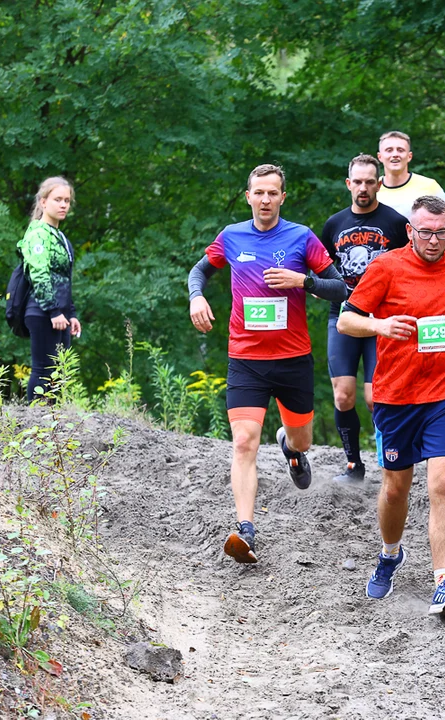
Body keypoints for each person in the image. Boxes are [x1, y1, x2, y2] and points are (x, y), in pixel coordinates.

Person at [336, 195, 445, 617]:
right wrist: (380, 324)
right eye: (425, 232)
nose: (434, 240)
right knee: (395, 487)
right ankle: (390, 553)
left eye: (442, 232)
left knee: (442, 484)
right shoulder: (386, 267)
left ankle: (444, 582)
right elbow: (347, 320)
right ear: (410, 230)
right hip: (397, 394)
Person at [188, 164, 349, 564]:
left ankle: (292, 451)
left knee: (303, 439)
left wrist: (304, 282)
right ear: (248, 196)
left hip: (293, 358)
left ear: (282, 197)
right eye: (258, 193)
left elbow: (341, 287)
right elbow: (200, 270)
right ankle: (246, 529)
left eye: (272, 193)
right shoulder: (231, 236)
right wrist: (196, 296)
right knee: (243, 442)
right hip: (246, 358)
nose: (265, 200)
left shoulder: (301, 237)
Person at [320, 154, 410, 483]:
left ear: (379, 183)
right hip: (343, 315)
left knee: (375, 398)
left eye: (370, 182)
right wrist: (316, 287)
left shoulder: (398, 224)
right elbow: (321, 271)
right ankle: (353, 465)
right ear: (348, 184)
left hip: (383, 319)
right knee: (343, 394)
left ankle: (391, 463)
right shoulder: (333, 224)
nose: (363, 188)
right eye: (357, 182)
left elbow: (412, 267)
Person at [18, 176, 81, 403]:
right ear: (43, 202)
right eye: (57, 199)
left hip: (60, 315)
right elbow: (39, 274)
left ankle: (52, 431)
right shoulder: (38, 233)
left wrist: (70, 313)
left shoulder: (59, 236)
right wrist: (54, 311)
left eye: (67, 200)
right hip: (42, 311)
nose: (63, 205)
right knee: (44, 370)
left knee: (58, 373)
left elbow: (63, 279)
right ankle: (36, 426)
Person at [376, 131, 445, 244]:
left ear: (409, 156)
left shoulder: (429, 187)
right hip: (382, 260)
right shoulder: (371, 189)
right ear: (380, 156)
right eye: (389, 150)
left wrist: (421, 235)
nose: (395, 154)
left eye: (400, 150)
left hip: (420, 260)